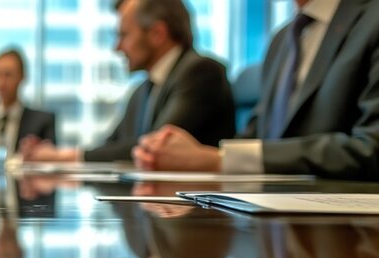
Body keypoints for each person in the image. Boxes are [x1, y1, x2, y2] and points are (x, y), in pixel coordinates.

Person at [133, 0, 379, 180]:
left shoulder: (371, 20)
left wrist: (218, 159)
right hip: (273, 224)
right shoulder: (282, 39)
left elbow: (371, 149)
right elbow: (257, 135)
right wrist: (195, 154)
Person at [23, 0, 235, 162]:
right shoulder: (142, 90)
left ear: (157, 34)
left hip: (196, 214)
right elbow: (111, 146)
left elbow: (155, 147)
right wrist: (55, 154)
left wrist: (61, 157)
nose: (117, 47)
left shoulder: (201, 72)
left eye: (124, 35)